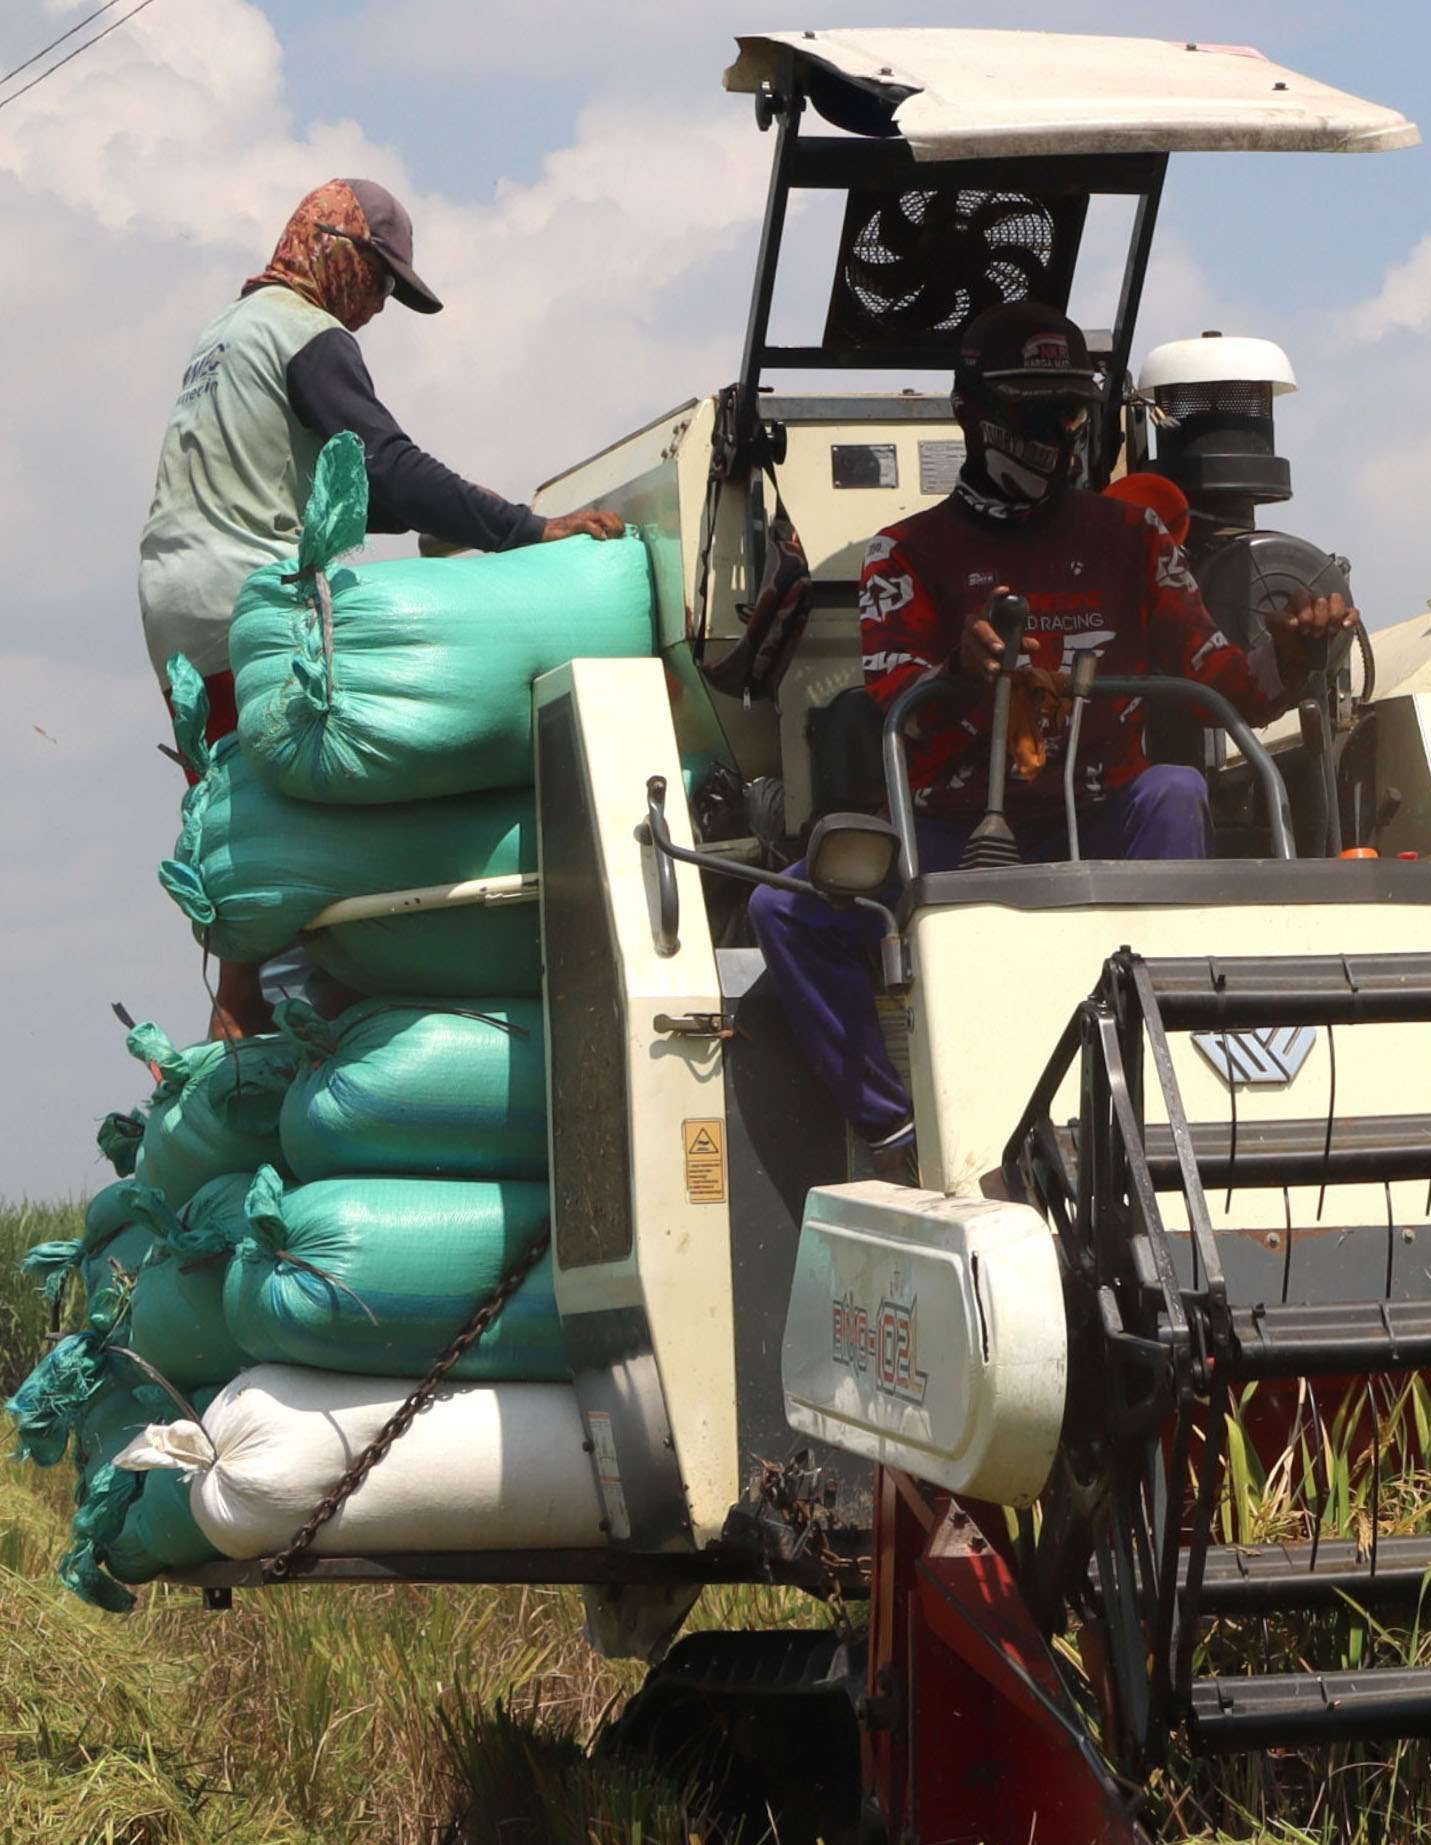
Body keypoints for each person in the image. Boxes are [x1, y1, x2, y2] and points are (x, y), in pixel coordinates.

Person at [746, 300, 1357, 1159]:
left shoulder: (1135, 537)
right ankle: (898, 1127)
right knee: (784, 908)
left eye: (1068, 406)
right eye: (1029, 406)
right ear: (971, 411)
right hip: (953, 837)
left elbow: (1235, 689)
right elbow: (893, 713)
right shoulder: (904, 555)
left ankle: (1164, 1093)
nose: (1053, 427)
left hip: (1105, 818)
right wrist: (959, 676)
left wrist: (1293, 656)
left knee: (1178, 790)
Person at [138, 177, 626, 1034]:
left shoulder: (228, 332)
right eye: (380, 282)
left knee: (240, 822)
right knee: (312, 814)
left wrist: (461, 518)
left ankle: (246, 1003)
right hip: (251, 608)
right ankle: (275, 1011)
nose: (376, 310)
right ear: (337, 252)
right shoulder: (307, 334)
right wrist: (527, 529)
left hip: (179, 616)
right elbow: (389, 464)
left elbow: (359, 490)